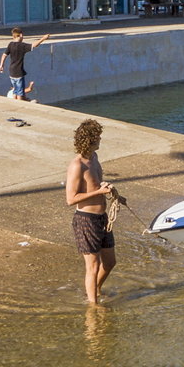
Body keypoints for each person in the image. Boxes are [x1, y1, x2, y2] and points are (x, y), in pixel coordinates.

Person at [66, 119, 117, 305]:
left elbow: (94, 183)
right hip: (86, 219)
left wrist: (107, 189)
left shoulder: (94, 157)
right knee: (93, 266)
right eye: (97, 138)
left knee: (110, 263)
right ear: (89, 139)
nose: (100, 140)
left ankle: (95, 290)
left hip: (102, 218)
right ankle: (93, 307)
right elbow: (71, 199)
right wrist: (98, 192)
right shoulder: (77, 165)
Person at [0, 27, 48, 100]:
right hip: (19, 72)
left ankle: (14, 103)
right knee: (20, 93)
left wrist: (1, 65)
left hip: (11, 72)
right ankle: (20, 104)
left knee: (15, 91)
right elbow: (34, 45)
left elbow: (4, 55)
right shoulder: (22, 46)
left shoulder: (10, 44)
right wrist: (43, 38)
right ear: (20, 35)